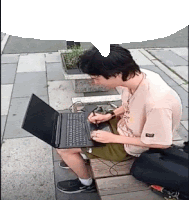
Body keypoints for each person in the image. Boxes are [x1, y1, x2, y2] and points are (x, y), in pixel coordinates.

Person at [56, 44, 182, 194]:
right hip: (125, 126)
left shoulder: (156, 103)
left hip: (131, 146)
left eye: (96, 78)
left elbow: (161, 143)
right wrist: (110, 115)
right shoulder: (137, 76)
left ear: (115, 73)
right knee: (79, 126)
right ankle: (83, 152)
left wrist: (111, 138)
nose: (94, 83)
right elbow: (131, 103)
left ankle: (86, 183)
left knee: (63, 148)